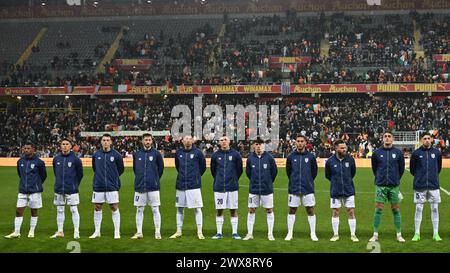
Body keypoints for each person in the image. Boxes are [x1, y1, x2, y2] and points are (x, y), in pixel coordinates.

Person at [369, 131, 405, 243]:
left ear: (393, 139)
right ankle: (375, 234)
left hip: (394, 186)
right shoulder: (376, 153)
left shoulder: (398, 153)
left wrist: (395, 179)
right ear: (382, 138)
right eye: (385, 136)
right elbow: (375, 168)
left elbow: (401, 169)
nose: (387, 138)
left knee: (395, 209)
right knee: (378, 208)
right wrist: (380, 178)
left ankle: (399, 234)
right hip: (381, 185)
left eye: (389, 136)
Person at [5, 142, 47, 239]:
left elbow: (43, 176)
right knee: (18, 211)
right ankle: (16, 232)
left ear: (33, 149)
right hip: (23, 190)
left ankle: (31, 231)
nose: (26, 150)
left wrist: (36, 184)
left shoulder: (39, 162)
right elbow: (20, 174)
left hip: (35, 191)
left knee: (34, 211)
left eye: (28, 148)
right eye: (25, 148)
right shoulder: (20, 161)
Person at [170, 135, 206, 240]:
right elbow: (178, 166)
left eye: (189, 139)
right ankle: (178, 231)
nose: (187, 141)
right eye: (185, 139)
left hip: (193, 185)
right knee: (179, 208)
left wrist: (195, 177)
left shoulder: (198, 153)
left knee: (197, 209)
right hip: (181, 185)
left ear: (193, 141)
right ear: (182, 141)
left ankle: (199, 232)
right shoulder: (179, 153)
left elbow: (202, 168)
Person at [90, 134, 124, 239]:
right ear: (101, 142)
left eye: (107, 140)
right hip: (98, 185)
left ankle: (117, 232)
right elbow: (95, 168)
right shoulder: (96, 155)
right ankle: (97, 231)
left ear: (110, 142)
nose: (105, 142)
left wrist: (112, 178)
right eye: (103, 140)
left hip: (112, 186)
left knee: (114, 207)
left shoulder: (117, 155)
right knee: (97, 207)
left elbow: (120, 169)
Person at [284, 135, 318, 241]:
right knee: (292, 210)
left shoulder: (311, 157)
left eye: (301, 141)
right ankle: (290, 233)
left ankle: (313, 233)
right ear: (295, 143)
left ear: (305, 142)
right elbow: (289, 172)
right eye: (298, 141)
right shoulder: (290, 157)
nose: (299, 143)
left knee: (310, 210)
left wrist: (307, 181)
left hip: (307, 188)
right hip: (294, 188)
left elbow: (314, 172)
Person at [410, 132, 443, 241]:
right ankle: (417, 233)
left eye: (429, 138)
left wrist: (432, 177)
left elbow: (438, 168)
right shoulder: (415, 153)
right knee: (419, 208)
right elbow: (412, 170)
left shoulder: (437, 153)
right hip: (420, 185)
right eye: (425, 138)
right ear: (421, 140)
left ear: (431, 140)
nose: (427, 140)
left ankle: (435, 233)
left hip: (434, 185)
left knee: (434, 208)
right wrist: (420, 177)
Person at [243, 138, 278, 241]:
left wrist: (267, 182)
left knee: (269, 210)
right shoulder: (250, 158)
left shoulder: (269, 158)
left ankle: (270, 234)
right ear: (254, 145)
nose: (258, 146)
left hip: (267, 189)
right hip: (253, 189)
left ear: (264, 146)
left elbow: (274, 172)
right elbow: (248, 173)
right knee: (251, 210)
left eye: (260, 144)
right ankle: (249, 234)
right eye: (257, 144)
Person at [131, 133, 164, 240]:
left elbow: (160, 169)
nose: (148, 142)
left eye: (149, 140)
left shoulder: (156, 154)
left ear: (152, 141)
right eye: (146, 140)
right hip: (140, 186)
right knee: (139, 209)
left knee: (155, 209)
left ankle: (157, 232)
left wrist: (154, 179)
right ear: (142, 141)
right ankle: (139, 232)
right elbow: (135, 169)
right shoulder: (137, 154)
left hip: (153, 186)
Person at [210, 135, 243, 240]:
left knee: (233, 210)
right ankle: (219, 233)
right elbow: (213, 170)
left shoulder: (236, 154)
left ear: (229, 142)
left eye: (225, 140)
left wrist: (233, 179)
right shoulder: (215, 155)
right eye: (221, 140)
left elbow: (239, 170)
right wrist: (219, 180)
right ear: (219, 143)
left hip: (232, 187)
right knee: (219, 210)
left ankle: (235, 233)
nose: (223, 142)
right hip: (219, 187)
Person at [325, 140, 358, 242]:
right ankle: (335, 234)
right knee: (335, 212)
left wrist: (346, 182)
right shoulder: (330, 161)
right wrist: (336, 182)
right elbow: (328, 175)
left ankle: (353, 234)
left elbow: (353, 173)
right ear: (336, 148)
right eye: (342, 148)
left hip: (349, 190)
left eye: (345, 147)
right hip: (335, 191)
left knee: (351, 211)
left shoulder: (350, 160)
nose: (344, 149)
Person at [50, 138, 83, 239]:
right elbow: (56, 172)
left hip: (72, 189)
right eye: (63, 144)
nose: (64, 146)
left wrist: (74, 184)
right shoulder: (56, 159)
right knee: (60, 210)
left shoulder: (76, 159)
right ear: (60, 146)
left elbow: (80, 175)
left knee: (73, 209)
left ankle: (76, 231)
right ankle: (60, 231)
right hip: (59, 189)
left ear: (70, 146)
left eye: (67, 144)